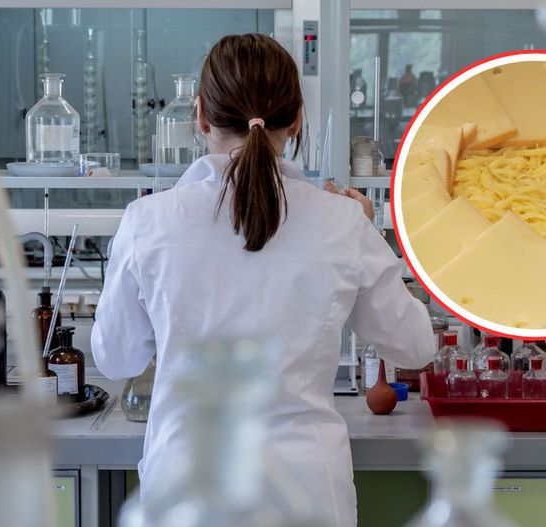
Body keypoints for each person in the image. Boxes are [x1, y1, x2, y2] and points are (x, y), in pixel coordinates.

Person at [91, 34, 435, 526]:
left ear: (201, 117)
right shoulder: (342, 221)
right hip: (307, 491)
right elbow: (415, 348)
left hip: (185, 491)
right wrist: (368, 232)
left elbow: (115, 358)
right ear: (295, 121)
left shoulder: (147, 221)